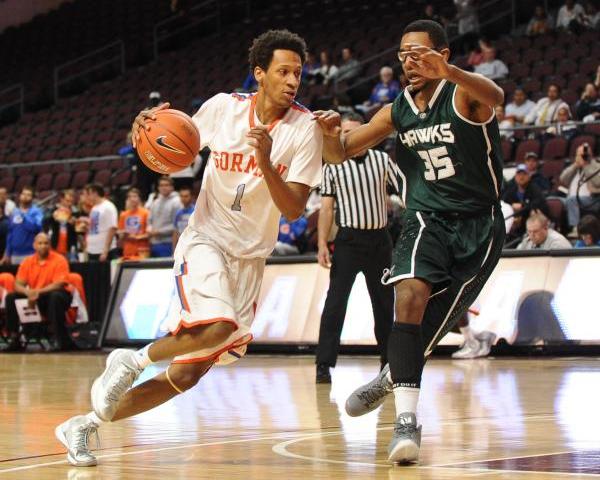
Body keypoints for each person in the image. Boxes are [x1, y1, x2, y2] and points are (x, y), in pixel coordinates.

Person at [55, 29, 323, 467]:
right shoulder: (223, 109)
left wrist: (265, 162)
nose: (293, 80)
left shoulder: (305, 129)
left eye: (298, 72)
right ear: (259, 73)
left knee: (186, 373)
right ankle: (133, 358)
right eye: (283, 71)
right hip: (207, 239)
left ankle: (83, 425)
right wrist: (144, 127)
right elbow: (171, 144)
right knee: (218, 326)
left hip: (249, 259)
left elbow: (293, 208)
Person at [314, 20, 505, 463]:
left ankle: (391, 375)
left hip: (480, 224)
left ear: (442, 54)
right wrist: (328, 134)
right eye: (403, 54)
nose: (409, 62)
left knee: (435, 321)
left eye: (419, 53)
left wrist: (450, 73)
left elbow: (496, 97)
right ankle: (406, 422)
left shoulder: (462, 94)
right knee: (409, 297)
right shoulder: (397, 108)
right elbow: (342, 152)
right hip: (426, 220)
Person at [315, 113, 401, 383]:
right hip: (348, 241)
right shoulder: (332, 166)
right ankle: (323, 365)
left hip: (379, 240)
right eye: (344, 133)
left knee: (384, 305)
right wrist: (321, 243)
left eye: (354, 131)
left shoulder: (382, 160)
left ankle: (389, 363)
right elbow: (326, 208)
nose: (348, 137)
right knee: (335, 304)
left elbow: (405, 190)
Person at [1, 233, 72, 352]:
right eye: (40, 243)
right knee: (11, 297)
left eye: (46, 243)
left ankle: (58, 339)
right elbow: (17, 284)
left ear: (50, 245)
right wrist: (27, 292)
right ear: (34, 245)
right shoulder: (28, 261)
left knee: (55, 296)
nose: (43, 246)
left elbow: (59, 284)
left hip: (55, 295)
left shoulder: (60, 260)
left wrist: (37, 292)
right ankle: (14, 338)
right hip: (35, 296)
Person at [559, 143, 600, 230]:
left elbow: (598, 182)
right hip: (570, 198)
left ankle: (575, 228)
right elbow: (562, 179)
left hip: (592, 200)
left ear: (590, 155)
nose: (581, 157)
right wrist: (575, 165)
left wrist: (586, 166)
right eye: (579, 155)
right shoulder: (574, 167)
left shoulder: (597, 166)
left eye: (583, 155)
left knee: (571, 200)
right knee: (551, 200)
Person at [501, 164, 549, 238]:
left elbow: (539, 203)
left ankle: (532, 234)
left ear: (529, 176)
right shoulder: (512, 189)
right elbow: (504, 202)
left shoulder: (534, 188)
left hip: (529, 220)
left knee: (534, 212)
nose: (521, 176)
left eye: (524, 174)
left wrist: (522, 206)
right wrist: (512, 207)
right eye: (519, 174)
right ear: (515, 176)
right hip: (515, 222)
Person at [1, 186, 43, 265]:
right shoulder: (14, 212)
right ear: (20, 196)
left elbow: (36, 228)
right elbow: (10, 234)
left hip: (31, 253)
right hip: (15, 255)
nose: (25, 196)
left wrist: (23, 216)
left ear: (32, 198)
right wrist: (7, 253)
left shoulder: (37, 212)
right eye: (23, 194)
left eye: (28, 195)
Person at [147, 176, 182, 258]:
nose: (163, 187)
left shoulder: (177, 202)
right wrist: (149, 229)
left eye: (166, 185)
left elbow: (177, 225)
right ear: (158, 187)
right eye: (161, 185)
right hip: (154, 243)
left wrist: (159, 232)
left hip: (169, 242)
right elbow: (149, 220)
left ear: (172, 187)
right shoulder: (155, 202)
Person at [84, 183, 118, 262]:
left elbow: (112, 228)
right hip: (92, 250)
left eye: (89, 194)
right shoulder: (94, 208)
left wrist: (105, 250)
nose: (88, 197)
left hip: (103, 251)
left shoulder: (108, 207)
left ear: (95, 193)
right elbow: (95, 227)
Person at [43, 189, 78, 259]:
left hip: (70, 246)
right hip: (56, 244)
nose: (69, 203)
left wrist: (75, 223)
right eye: (67, 201)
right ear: (61, 199)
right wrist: (52, 215)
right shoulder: (53, 210)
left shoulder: (75, 212)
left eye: (71, 201)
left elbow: (79, 230)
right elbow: (44, 222)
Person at [118, 188, 150, 259]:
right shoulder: (123, 215)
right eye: (130, 197)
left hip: (142, 250)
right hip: (128, 250)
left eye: (135, 196)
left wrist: (136, 237)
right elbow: (120, 234)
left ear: (139, 198)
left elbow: (149, 234)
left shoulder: (146, 213)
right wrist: (122, 235)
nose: (132, 199)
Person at [172, 186, 195, 250]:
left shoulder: (196, 211)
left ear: (191, 197)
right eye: (181, 196)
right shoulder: (178, 213)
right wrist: (174, 249)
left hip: (193, 245)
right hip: (181, 245)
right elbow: (175, 232)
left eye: (186, 196)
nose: (183, 198)